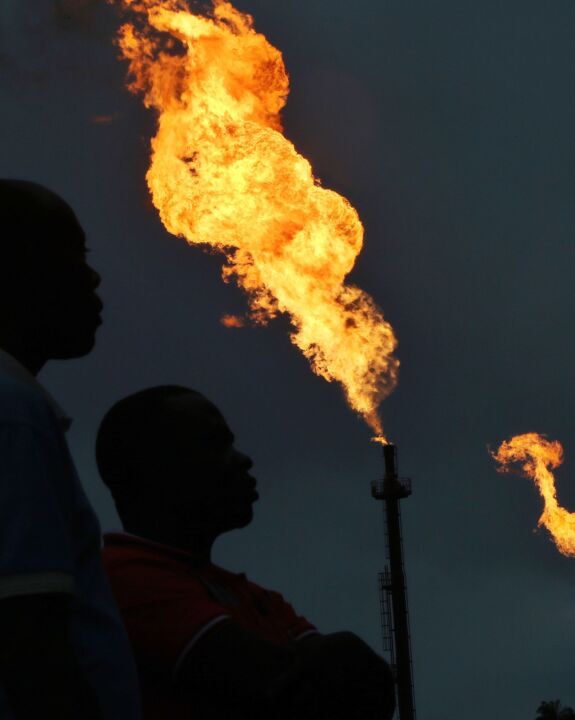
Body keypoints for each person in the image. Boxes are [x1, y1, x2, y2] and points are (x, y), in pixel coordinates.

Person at [95, 385, 395, 720]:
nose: (243, 459)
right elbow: (266, 680)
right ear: (154, 468)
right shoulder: (123, 579)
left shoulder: (256, 597)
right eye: (215, 443)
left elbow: (358, 686)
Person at [0, 179, 142, 720]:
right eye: (73, 255)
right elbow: (30, 633)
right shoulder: (13, 414)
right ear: (17, 272)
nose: (92, 277)